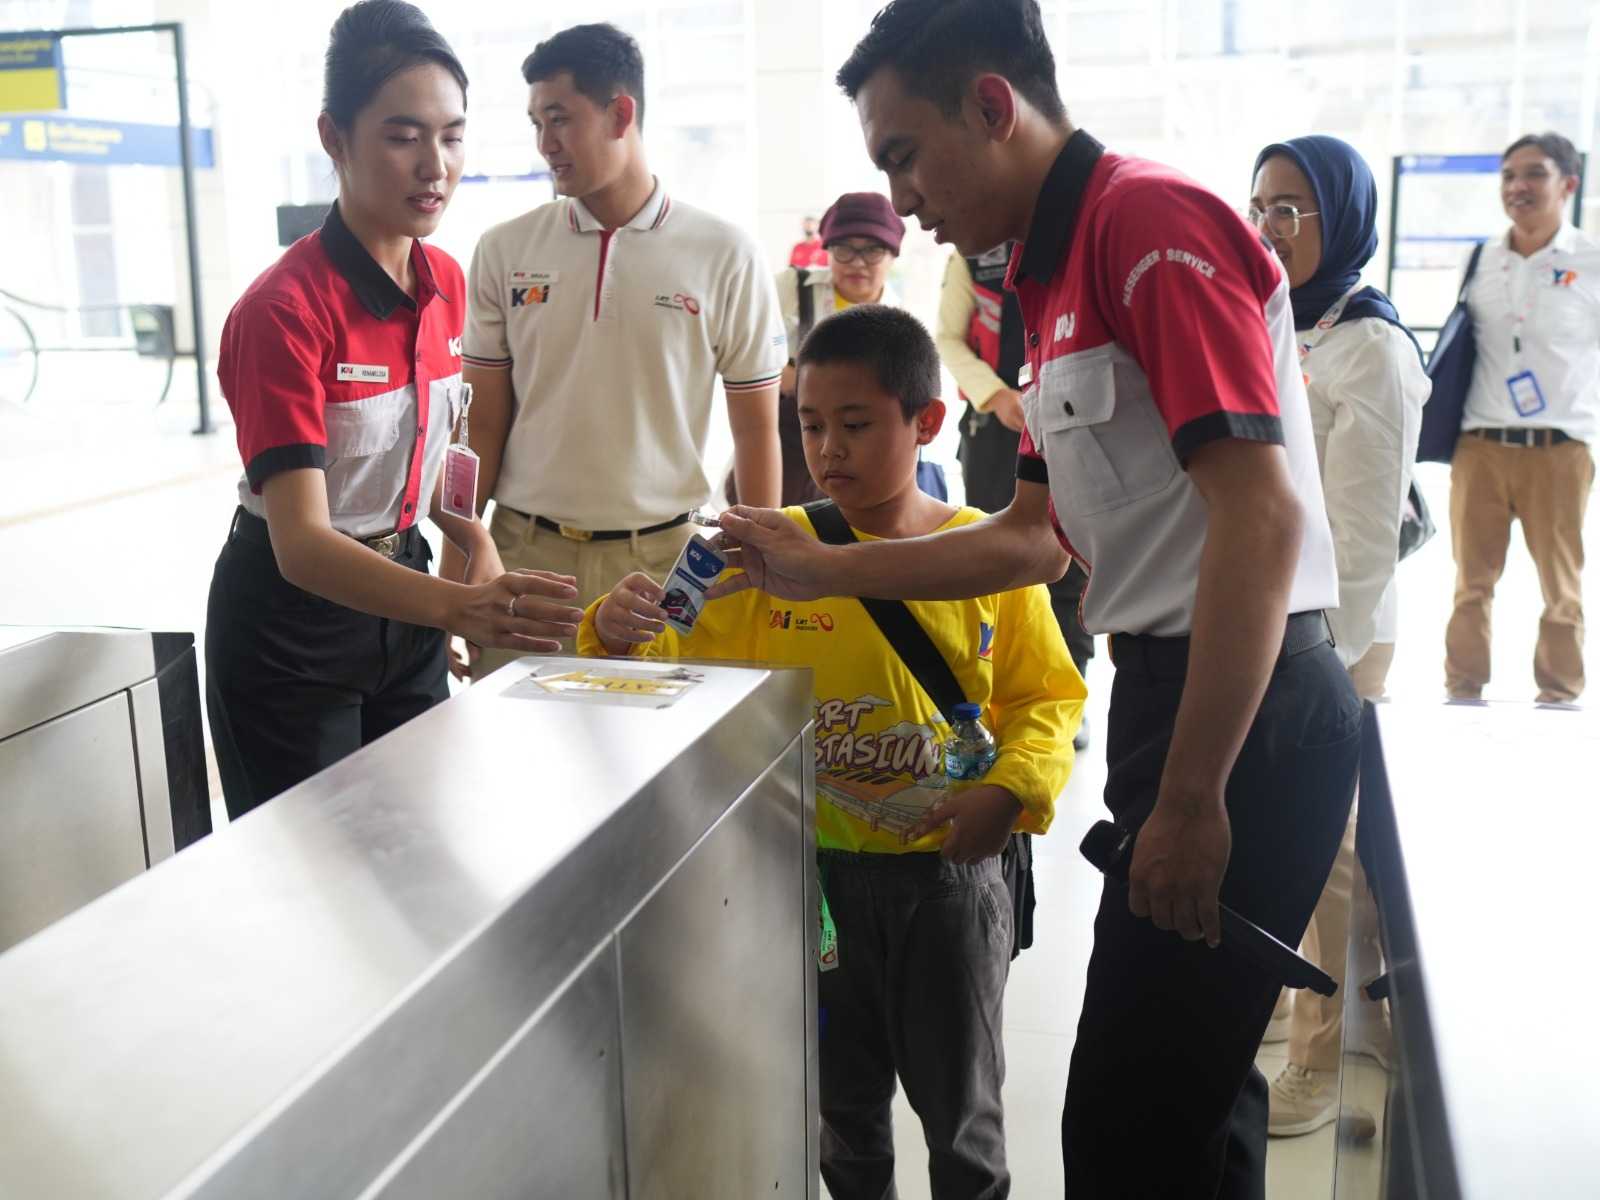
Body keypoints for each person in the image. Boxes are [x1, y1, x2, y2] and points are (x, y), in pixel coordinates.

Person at [712, 2, 1360, 1194]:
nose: (901, 202)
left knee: (1128, 1129)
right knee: (1189, 1112)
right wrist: (817, 562)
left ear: (992, 106)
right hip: (1179, 698)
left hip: (1245, 714)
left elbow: (1257, 517)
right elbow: (1027, 541)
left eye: (903, 154)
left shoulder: (1146, 224)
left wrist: (1193, 794)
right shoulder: (1044, 281)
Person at [583, 304, 1083, 1198]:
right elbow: (665, 663)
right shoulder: (765, 555)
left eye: (856, 425)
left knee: (962, 1115)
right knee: (840, 1116)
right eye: (811, 425)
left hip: (949, 883)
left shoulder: (984, 555)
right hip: (804, 884)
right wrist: (611, 630)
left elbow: (1046, 700)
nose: (828, 451)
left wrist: (1008, 792)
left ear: (926, 422)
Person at [204, 0, 583, 820]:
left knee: (417, 852)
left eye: (451, 136)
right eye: (403, 136)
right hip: (290, 632)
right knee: (311, 884)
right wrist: (459, 605)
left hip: (403, 601)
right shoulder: (284, 312)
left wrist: (469, 536)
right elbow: (301, 544)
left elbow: (437, 443)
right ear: (334, 138)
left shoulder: (444, 280)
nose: (434, 165)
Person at [446, 22, 785, 671]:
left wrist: (758, 578)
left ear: (620, 112)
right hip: (526, 559)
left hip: (665, 563)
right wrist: (454, 574)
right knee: (517, 754)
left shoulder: (725, 253)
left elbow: (756, 433)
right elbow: (481, 426)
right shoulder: (505, 249)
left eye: (559, 119)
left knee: (663, 756)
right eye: (535, 123)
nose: (545, 144)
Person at [1247, 135, 1427, 1136]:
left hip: (1337, 634)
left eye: (1290, 210)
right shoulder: (1278, 320)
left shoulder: (1372, 345)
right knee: (1280, 832)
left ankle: (1323, 1056)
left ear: (1342, 220)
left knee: (1328, 846)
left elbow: (1365, 535)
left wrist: (1311, 652)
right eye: (1258, 204)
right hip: (1271, 619)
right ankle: (1282, 997)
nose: (1267, 227)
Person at [1447, 131, 1598, 705]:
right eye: (1509, 175)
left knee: (1561, 588)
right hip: (1479, 443)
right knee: (1470, 585)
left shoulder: (1591, 263)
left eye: (1534, 174)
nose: (1518, 187)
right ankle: (1461, 691)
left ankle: (1559, 694)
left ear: (1568, 184)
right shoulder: (1481, 257)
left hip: (1560, 448)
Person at [937, 245, 1095, 749]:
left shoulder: (1077, 243)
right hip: (994, 428)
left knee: (1071, 562)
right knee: (999, 564)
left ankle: (1070, 692)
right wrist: (995, 394)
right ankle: (999, 696)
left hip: (1074, 422)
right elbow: (949, 338)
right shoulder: (970, 255)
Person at [727, 190, 905, 507]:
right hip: (787, 451)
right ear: (827, 250)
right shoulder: (790, 288)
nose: (858, 263)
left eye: (873, 251)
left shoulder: (898, 317)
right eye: (843, 250)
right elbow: (743, 348)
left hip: (859, 460)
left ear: (893, 255)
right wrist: (788, 375)